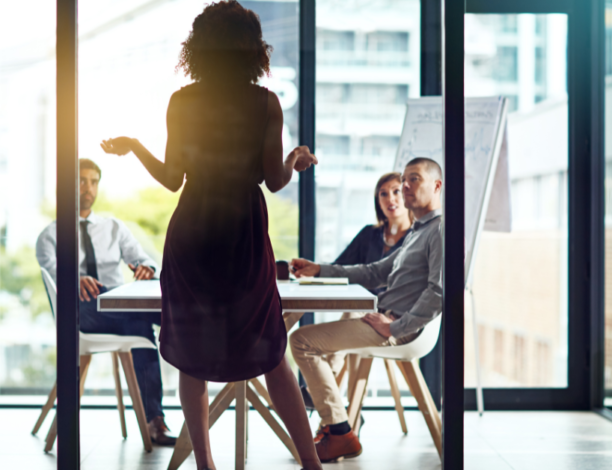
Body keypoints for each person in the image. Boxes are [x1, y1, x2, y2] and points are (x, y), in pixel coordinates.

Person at [99, 3, 324, 469]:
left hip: (193, 232)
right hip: (242, 233)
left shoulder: (183, 101)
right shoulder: (265, 102)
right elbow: (274, 181)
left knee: (191, 354)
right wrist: (295, 161)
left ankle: (205, 465)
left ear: (198, 46)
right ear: (251, 47)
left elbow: (171, 179)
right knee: (271, 347)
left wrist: (136, 146)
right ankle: (311, 464)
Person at [289, 157, 443, 463]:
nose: (404, 186)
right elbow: (374, 272)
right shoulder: (418, 231)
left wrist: (394, 328)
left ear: (437, 186)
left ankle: (339, 431)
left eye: (414, 180)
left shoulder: (439, 231)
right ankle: (337, 428)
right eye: (404, 179)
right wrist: (319, 269)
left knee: (301, 342)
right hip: (384, 319)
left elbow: (439, 292)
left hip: (398, 328)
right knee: (306, 340)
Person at [35, 158, 177, 446]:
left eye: (93, 181)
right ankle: (156, 420)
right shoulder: (50, 235)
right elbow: (53, 275)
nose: (88, 188)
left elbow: (142, 258)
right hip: (81, 314)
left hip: (120, 310)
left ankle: (156, 420)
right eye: (81, 181)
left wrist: (146, 267)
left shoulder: (113, 227)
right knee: (157, 320)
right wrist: (74, 278)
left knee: (145, 324)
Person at [303, 172, 414, 413]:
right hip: (362, 314)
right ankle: (345, 414)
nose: (390, 199)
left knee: (353, 314)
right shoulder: (369, 234)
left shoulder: (416, 239)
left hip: (392, 319)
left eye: (396, 191)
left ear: (407, 195)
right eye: (383, 194)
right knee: (357, 310)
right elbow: (343, 267)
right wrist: (317, 270)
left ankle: (323, 388)